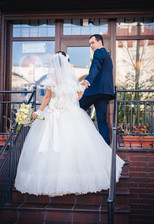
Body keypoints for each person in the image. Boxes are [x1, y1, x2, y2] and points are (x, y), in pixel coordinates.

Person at [15, 52, 124, 197]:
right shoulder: (71, 79)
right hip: (70, 112)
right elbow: (78, 96)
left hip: (53, 113)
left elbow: (47, 97)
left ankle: (54, 181)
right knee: (73, 144)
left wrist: (39, 112)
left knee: (52, 145)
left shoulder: (52, 79)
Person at [80, 34, 114, 145]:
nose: (91, 46)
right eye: (89, 44)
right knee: (102, 121)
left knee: (76, 108)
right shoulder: (107, 56)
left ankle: (80, 138)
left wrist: (87, 80)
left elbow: (96, 67)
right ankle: (106, 146)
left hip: (95, 91)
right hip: (105, 93)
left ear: (100, 42)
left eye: (92, 43)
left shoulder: (99, 52)